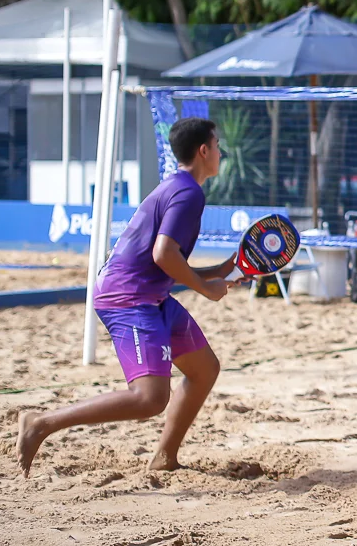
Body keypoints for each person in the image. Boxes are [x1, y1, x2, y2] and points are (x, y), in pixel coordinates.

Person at [17, 117, 234, 477]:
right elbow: (163, 255)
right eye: (217, 145)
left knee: (205, 369)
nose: (221, 152)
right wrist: (204, 288)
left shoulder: (176, 187)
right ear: (203, 151)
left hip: (151, 294)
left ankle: (165, 458)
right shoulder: (188, 193)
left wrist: (219, 271)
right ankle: (41, 423)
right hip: (128, 298)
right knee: (149, 398)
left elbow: (166, 260)